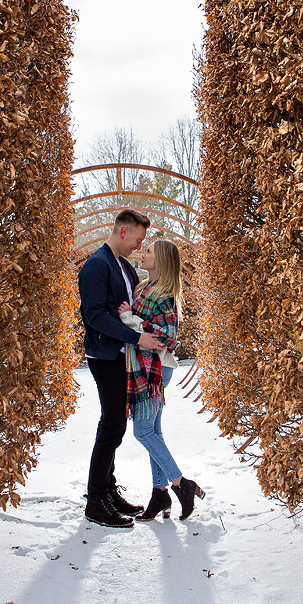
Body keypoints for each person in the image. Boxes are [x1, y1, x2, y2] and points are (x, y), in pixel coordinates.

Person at [78, 209, 165, 528]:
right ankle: (96, 500)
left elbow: (132, 309)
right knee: (112, 424)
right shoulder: (96, 265)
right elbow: (96, 317)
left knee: (115, 423)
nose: (139, 247)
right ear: (124, 231)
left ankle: (108, 490)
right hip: (105, 356)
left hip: (122, 356)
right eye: (138, 240)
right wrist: (136, 336)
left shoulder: (125, 268)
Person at [118, 239, 205, 521]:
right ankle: (159, 494)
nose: (143, 254)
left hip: (154, 370)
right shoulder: (145, 287)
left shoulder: (166, 294)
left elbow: (167, 337)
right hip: (142, 366)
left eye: (149, 252)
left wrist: (132, 319)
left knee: (142, 432)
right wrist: (128, 316)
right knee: (153, 431)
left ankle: (181, 484)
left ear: (163, 260)